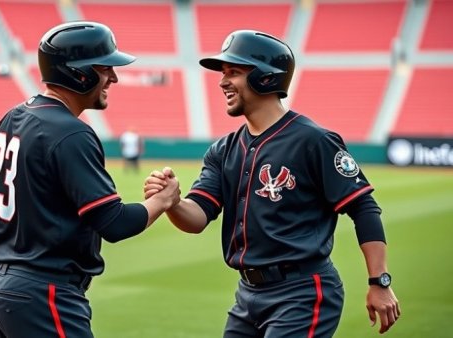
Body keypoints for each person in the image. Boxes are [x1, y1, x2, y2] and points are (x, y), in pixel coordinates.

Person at [144, 30, 400, 337]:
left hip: (302, 293)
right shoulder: (223, 150)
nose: (222, 82)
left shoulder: (314, 141)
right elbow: (197, 217)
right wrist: (172, 202)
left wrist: (379, 282)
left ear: (265, 78)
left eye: (234, 72)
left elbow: (363, 208)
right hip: (247, 296)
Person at [0, 21, 179, 338]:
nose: (113, 77)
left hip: (1, 285)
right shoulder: (70, 132)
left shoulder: (14, 116)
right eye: (105, 68)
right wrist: (163, 199)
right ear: (80, 73)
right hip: (43, 293)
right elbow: (114, 223)